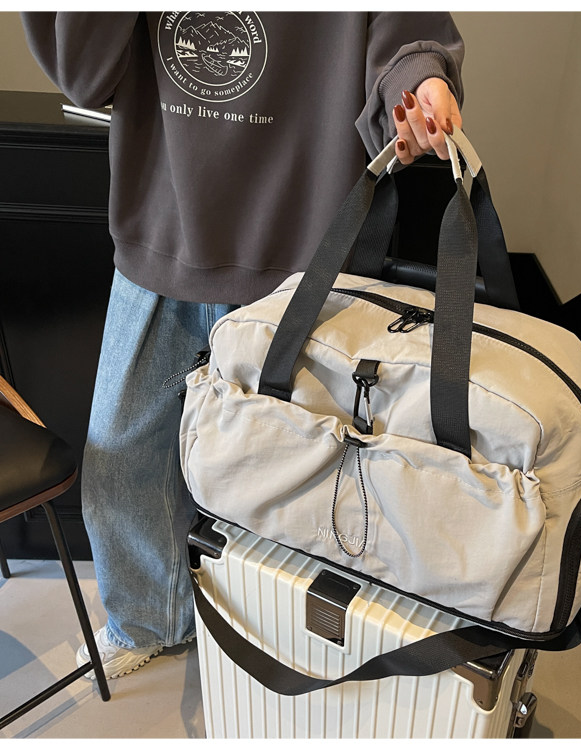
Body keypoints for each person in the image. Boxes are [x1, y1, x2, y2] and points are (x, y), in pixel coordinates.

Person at [21, 11, 465, 679]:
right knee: (125, 455)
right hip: (164, 223)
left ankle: (281, 626)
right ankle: (149, 618)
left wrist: (421, 82)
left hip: (303, 242)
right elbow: (83, 71)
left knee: (296, 466)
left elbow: (405, 30)